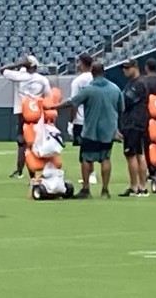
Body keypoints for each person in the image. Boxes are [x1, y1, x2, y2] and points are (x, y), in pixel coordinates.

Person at [52, 61, 123, 199]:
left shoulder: (88, 89)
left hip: (91, 130)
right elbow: (121, 109)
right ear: (104, 72)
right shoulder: (115, 89)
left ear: (92, 73)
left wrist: (54, 107)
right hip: (108, 130)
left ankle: (86, 189)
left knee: (86, 158)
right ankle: (105, 190)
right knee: (105, 158)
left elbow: (71, 102)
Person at [0, 53, 50, 179]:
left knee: (23, 142)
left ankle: (27, 172)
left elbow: (3, 70)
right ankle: (32, 171)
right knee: (36, 142)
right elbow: (48, 97)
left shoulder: (19, 76)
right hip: (38, 113)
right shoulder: (42, 79)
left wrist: (18, 64)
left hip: (23, 112)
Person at [118, 59, 150, 196]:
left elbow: (127, 101)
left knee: (132, 155)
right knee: (138, 154)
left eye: (127, 68)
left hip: (134, 122)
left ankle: (136, 186)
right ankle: (141, 186)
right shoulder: (133, 83)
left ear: (135, 67)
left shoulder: (139, 84)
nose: (124, 70)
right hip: (136, 122)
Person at [69, 54, 96, 185]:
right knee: (94, 147)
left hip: (81, 119)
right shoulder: (96, 78)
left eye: (79, 62)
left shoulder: (78, 81)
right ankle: (92, 173)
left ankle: (89, 174)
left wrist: (71, 122)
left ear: (83, 63)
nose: (77, 65)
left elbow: (74, 102)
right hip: (95, 118)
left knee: (84, 150)